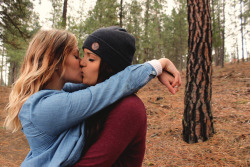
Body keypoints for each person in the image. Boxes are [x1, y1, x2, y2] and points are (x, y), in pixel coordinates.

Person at [4, 29, 180, 167]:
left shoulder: (61, 95)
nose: (81, 62)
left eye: (90, 58)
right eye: (77, 55)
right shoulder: (44, 107)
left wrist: (152, 71)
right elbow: (107, 88)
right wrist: (158, 65)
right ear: (56, 62)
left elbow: (109, 84)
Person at [73, 26, 181, 167]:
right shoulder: (90, 96)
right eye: (83, 54)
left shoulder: (128, 107)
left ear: (109, 67)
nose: (82, 62)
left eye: (91, 59)